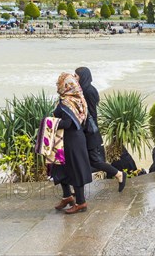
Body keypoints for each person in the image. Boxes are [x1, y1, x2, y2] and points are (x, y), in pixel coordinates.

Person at [75, 67, 126, 192]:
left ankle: (119, 174)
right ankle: (77, 189)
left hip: (90, 133)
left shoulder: (88, 91)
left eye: (76, 76)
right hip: (88, 132)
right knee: (85, 161)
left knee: (94, 161)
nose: (74, 78)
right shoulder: (84, 90)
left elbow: (91, 113)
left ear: (83, 76)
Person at [51, 73, 92, 214]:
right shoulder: (77, 99)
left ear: (67, 86)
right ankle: (67, 196)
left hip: (71, 141)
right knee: (60, 168)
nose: (57, 86)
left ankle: (81, 202)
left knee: (75, 169)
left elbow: (68, 123)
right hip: (70, 140)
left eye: (59, 84)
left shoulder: (67, 102)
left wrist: (49, 122)